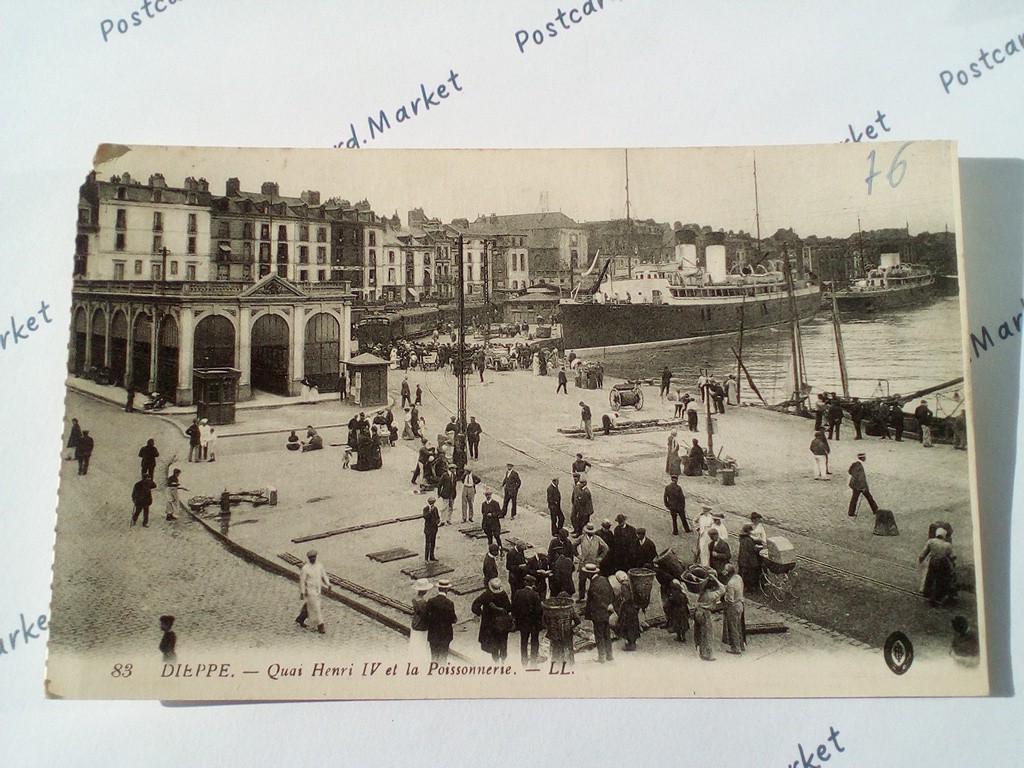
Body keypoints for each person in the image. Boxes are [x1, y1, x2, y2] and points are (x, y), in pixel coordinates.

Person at [471, 579, 514, 663]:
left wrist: (480, 613)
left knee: (494, 643)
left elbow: (475, 605)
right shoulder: (503, 594)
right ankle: (503, 660)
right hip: (502, 622)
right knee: (503, 641)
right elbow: (509, 608)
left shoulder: (486, 595)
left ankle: (496, 661)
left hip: (490, 623)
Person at [583, 565, 615, 662]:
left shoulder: (593, 585)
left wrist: (587, 614)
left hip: (597, 614)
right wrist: (609, 605)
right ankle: (609, 655)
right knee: (607, 634)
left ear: (589, 574)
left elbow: (592, 601)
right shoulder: (605, 580)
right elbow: (611, 593)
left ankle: (601, 657)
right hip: (606, 613)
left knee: (599, 635)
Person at [512, 574, 544, 666]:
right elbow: (539, 610)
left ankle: (524, 661)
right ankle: (533, 660)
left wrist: (517, 618)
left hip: (522, 622)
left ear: (525, 582)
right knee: (534, 641)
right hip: (533, 622)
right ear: (533, 584)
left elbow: (514, 607)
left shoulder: (518, 593)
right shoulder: (535, 595)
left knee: (524, 641)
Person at [296, 549, 330, 634]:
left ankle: (300, 618)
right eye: (311, 557)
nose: (313, 559)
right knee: (316, 608)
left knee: (310, 605)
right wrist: (302, 592)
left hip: (318, 590)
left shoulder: (319, 566)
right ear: (308, 558)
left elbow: (323, 575)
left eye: (314, 557)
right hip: (310, 590)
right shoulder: (305, 568)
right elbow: (302, 581)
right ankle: (320, 625)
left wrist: (328, 584)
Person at [919, 528, 956, 607]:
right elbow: (952, 556)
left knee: (930, 577)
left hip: (932, 561)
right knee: (940, 579)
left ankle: (927, 593)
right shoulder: (947, 545)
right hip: (942, 563)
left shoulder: (931, 541)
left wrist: (921, 559)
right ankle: (937, 597)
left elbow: (924, 552)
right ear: (944, 536)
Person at [424, 579, 458, 663]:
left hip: (433, 634)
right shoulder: (449, 603)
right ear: (446, 590)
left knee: (434, 656)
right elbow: (453, 619)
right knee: (443, 658)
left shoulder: (431, 601)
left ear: (438, 588)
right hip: (445, 635)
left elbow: (425, 616)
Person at [694, 572, 725, 661]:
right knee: (708, 634)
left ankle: (701, 652)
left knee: (700, 633)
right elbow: (722, 589)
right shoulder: (712, 595)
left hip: (698, 612)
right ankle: (709, 654)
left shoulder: (702, 593)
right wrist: (715, 579)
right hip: (705, 613)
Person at [575, 523, 608, 599]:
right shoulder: (582, 538)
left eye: (591, 532)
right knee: (582, 580)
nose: (590, 533)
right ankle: (581, 596)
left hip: (594, 563)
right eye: (588, 532)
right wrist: (578, 556)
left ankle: (593, 597)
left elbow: (606, 548)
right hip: (584, 562)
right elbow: (573, 546)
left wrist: (600, 558)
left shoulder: (598, 539)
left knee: (594, 581)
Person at [614, 570, 642, 651]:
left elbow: (627, 597)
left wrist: (622, 602)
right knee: (634, 624)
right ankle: (633, 642)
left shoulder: (624, 586)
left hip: (628, 608)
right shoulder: (631, 582)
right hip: (634, 607)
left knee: (629, 625)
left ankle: (631, 644)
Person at [721, 564, 746, 654]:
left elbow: (730, 599)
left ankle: (736, 648)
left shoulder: (730, 584)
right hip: (740, 604)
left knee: (733, 628)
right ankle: (741, 645)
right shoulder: (738, 578)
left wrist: (724, 597)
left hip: (733, 607)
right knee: (738, 626)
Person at [848, 452, 879, 517]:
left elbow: (850, 471)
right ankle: (875, 509)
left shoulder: (855, 464)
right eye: (864, 457)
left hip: (855, 485)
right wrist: (863, 487)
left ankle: (851, 512)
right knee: (868, 497)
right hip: (859, 486)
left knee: (855, 498)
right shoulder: (859, 466)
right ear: (862, 458)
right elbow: (861, 478)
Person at [409, 579, 433, 662]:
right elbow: (425, 616)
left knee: (415, 642)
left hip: (415, 622)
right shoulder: (423, 603)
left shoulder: (415, 599)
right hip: (422, 625)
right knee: (421, 643)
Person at [737, 525, 762, 593]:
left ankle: (745, 587)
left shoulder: (743, 539)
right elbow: (750, 551)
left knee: (744, 575)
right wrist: (758, 548)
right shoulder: (748, 540)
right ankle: (749, 589)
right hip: (748, 562)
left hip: (743, 560)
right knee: (749, 575)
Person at [422, 497, 441, 561]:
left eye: (433, 503)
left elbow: (437, 517)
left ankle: (432, 556)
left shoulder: (435, 509)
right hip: (428, 529)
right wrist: (430, 511)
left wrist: (438, 521)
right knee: (427, 543)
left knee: (433, 543)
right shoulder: (426, 509)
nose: (432, 505)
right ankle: (426, 557)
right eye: (431, 503)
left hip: (434, 528)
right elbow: (425, 517)